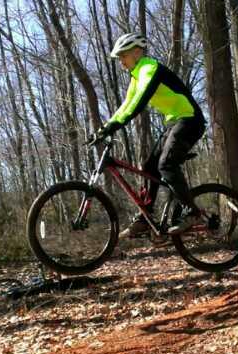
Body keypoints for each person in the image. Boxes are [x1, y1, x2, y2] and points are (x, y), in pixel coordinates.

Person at [88, 32, 206, 237]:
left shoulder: (150, 68)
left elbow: (139, 102)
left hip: (190, 119)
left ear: (136, 52)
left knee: (166, 165)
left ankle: (192, 212)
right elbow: (125, 106)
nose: (121, 62)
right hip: (174, 122)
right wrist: (104, 128)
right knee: (149, 167)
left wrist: (115, 126)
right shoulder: (136, 77)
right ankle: (145, 218)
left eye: (123, 56)